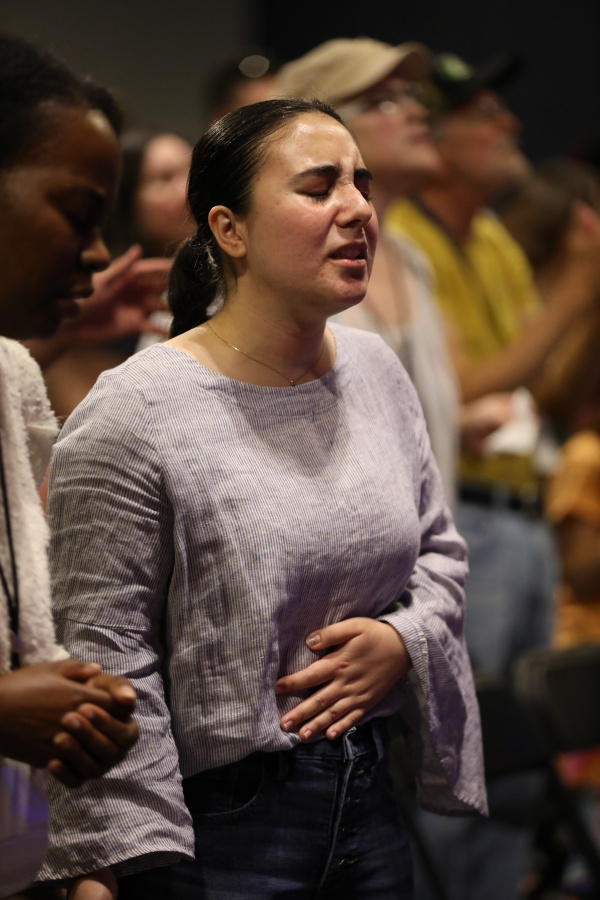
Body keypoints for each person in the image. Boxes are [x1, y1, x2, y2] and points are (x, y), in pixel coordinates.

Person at [38, 97, 485, 899]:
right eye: (318, 188)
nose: (357, 209)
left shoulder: (375, 369)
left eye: (360, 184)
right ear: (229, 229)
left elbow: (440, 552)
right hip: (218, 826)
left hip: (370, 799)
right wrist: (123, 857)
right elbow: (106, 656)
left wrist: (402, 639)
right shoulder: (137, 410)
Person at [386, 51, 600, 900]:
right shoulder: (405, 240)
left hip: (520, 508)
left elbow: (535, 388)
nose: (509, 125)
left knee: (513, 774)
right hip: (462, 515)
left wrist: (582, 302)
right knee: (455, 760)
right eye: (482, 114)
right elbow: (469, 384)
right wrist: (578, 286)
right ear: (437, 138)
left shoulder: (491, 239)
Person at [0, 32, 139, 898]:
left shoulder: (11, 375)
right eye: (77, 214)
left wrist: (78, 714)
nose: (95, 254)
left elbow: (29, 634)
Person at [277, 38, 513, 507]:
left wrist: (451, 425)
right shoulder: (285, 269)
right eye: (384, 100)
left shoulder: (414, 262)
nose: (417, 112)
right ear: (315, 132)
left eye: (412, 95)